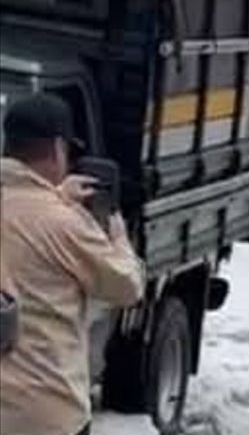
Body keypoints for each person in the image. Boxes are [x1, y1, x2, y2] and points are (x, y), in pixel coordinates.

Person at [0, 93, 145, 435]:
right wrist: (117, 237)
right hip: (46, 414)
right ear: (56, 147)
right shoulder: (65, 224)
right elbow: (127, 287)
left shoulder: (51, 215)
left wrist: (57, 196)